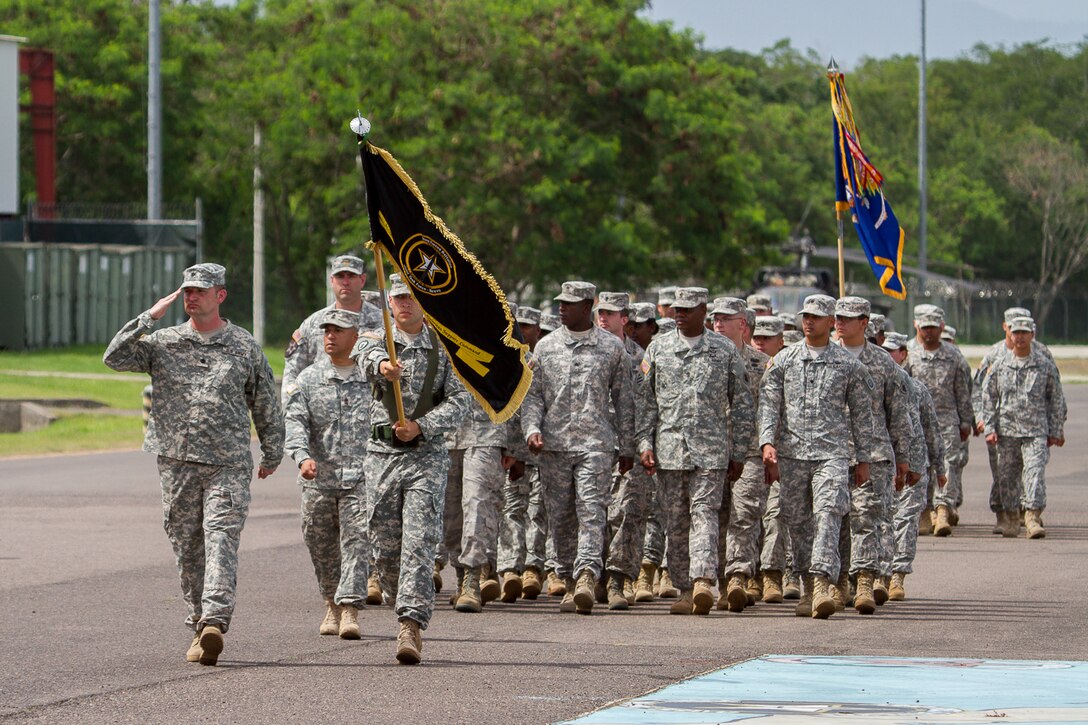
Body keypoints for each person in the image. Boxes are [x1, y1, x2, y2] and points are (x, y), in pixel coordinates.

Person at [103, 263, 283, 666]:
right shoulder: (164, 342)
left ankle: (214, 620)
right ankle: (198, 623)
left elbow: (265, 403)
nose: (191, 296)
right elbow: (113, 357)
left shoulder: (243, 346)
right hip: (177, 461)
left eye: (200, 290)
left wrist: (273, 451)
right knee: (186, 544)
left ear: (220, 295)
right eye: (187, 290)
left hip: (227, 462)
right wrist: (148, 317)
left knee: (220, 534)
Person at [355, 274, 469, 664]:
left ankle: (411, 624)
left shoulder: (443, 347)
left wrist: (422, 425)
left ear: (423, 302)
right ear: (390, 303)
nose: (405, 304)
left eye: (411, 297)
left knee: (419, 541)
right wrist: (385, 366)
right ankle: (397, 597)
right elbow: (364, 360)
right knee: (384, 546)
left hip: (426, 456)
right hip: (381, 455)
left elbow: (460, 403)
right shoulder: (374, 340)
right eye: (399, 298)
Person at [757, 294, 875, 620]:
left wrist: (863, 458)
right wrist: (767, 442)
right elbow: (770, 404)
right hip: (793, 455)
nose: (808, 321)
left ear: (830, 321)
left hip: (832, 455)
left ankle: (823, 582)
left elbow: (862, 416)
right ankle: (809, 587)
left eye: (816, 317)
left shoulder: (848, 364)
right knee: (798, 522)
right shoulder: (784, 360)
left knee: (827, 513)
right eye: (805, 316)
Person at [638, 288, 755, 615]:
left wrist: (740, 452)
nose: (680, 314)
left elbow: (743, 404)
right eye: (678, 309)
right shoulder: (658, 349)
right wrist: (644, 444)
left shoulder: (724, 351)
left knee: (704, 513)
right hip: (669, 452)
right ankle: (686, 587)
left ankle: (704, 579)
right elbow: (645, 403)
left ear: (703, 311)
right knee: (675, 521)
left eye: (688, 309)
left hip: (711, 453)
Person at [521, 281, 635, 615]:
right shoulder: (545, 347)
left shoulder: (612, 348)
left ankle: (587, 574)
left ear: (588, 307)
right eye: (560, 302)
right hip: (553, 446)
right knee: (561, 517)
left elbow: (624, 401)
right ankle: (570, 578)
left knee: (591, 510)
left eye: (569, 304)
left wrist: (626, 446)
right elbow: (533, 396)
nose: (561, 308)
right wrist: (531, 429)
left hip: (595, 445)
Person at [283, 309, 370, 639]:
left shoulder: (372, 379)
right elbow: (295, 421)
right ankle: (331, 603)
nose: (330, 336)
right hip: (319, 479)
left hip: (361, 479)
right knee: (320, 545)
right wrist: (302, 456)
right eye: (327, 330)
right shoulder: (308, 378)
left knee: (357, 543)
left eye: (339, 330)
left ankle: (349, 609)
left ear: (355, 336)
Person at [833, 297, 915, 614]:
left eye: (849, 318)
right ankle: (839, 582)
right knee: (834, 520)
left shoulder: (883, 364)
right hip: (832, 451)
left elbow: (899, 414)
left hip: (875, 452)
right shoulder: (824, 357)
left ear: (865, 323)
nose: (841, 322)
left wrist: (904, 458)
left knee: (867, 517)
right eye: (838, 317)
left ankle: (865, 580)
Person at [982, 316, 1066, 539]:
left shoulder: (1044, 365)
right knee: (1007, 476)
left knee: (1034, 472)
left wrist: (1056, 429)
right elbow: (988, 397)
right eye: (1015, 332)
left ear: (1032, 335)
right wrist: (989, 427)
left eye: (1023, 332)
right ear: (1009, 334)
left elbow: (1056, 398)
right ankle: (1010, 517)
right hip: (1007, 431)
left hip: (1035, 431)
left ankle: (1032, 516)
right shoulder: (1000, 365)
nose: (1019, 337)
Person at [709, 297, 768, 612]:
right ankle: (720, 580)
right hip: (713, 452)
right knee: (716, 517)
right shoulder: (704, 359)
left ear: (743, 324)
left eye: (725, 318)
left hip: (750, 453)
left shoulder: (762, 364)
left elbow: (772, 410)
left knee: (744, 515)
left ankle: (737, 575)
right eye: (715, 318)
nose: (718, 323)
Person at [882, 332, 946, 600]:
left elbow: (931, 430)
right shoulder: (870, 386)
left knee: (906, 520)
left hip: (914, 466)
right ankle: (877, 574)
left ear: (903, 354)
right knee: (881, 521)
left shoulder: (916, 389)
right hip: (882, 464)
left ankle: (897, 576)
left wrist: (940, 466)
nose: (886, 355)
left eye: (892, 351)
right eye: (881, 350)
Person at [905, 305, 973, 537]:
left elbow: (962, 392)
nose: (929, 332)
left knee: (949, 465)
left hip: (947, 421)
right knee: (921, 466)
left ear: (942, 327)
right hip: (918, 423)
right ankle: (925, 512)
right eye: (925, 327)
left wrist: (966, 422)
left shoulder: (954, 357)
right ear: (916, 326)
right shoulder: (910, 356)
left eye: (934, 327)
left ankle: (943, 509)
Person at [282, 254, 382, 404]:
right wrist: (294, 416)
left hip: (368, 414)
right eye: (340, 276)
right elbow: (292, 373)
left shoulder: (383, 322)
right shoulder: (313, 324)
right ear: (332, 281)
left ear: (362, 280)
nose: (345, 282)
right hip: (323, 414)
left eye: (351, 276)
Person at [497, 306, 547, 600]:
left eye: (526, 326)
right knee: (511, 510)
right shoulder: (495, 359)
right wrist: (509, 449)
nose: (519, 330)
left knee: (538, 511)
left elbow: (536, 405)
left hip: (536, 449)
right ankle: (510, 569)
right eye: (516, 324)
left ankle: (533, 567)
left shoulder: (533, 362)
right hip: (509, 449)